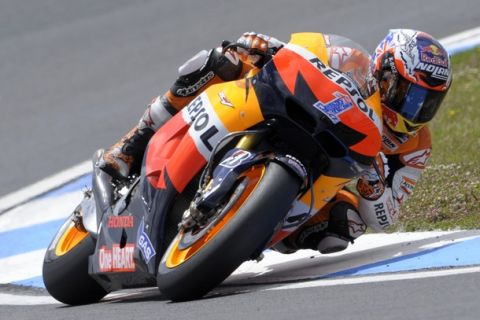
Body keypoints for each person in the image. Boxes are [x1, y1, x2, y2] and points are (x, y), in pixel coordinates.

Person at [98, 29, 452, 254]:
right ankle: (132, 143)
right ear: (385, 73)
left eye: (428, 102)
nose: (417, 109)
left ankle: (253, 230)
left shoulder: (415, 146)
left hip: (326, 175)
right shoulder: (351, 61)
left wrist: (374, 184)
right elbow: (301, 53)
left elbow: (384, 219)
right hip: (284, 108)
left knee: (347, 226)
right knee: (220, 61)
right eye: (410, 94)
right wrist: (267, 45)